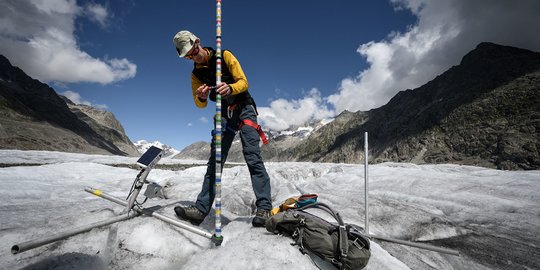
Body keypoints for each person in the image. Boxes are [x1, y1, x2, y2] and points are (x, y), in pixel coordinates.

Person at [172, 30, 272, 227]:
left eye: (193, 51)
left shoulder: (224, 56)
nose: (193, 56)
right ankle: (201, 209)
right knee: (215, 161)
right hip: (224, 113)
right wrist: (201, 97)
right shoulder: (195, 75)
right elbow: (199, 104)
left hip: (244, 108)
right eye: (188, 56)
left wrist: (231, 87)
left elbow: (244, 82)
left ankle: (264, 208)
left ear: (197, 42)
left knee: (252, 156)